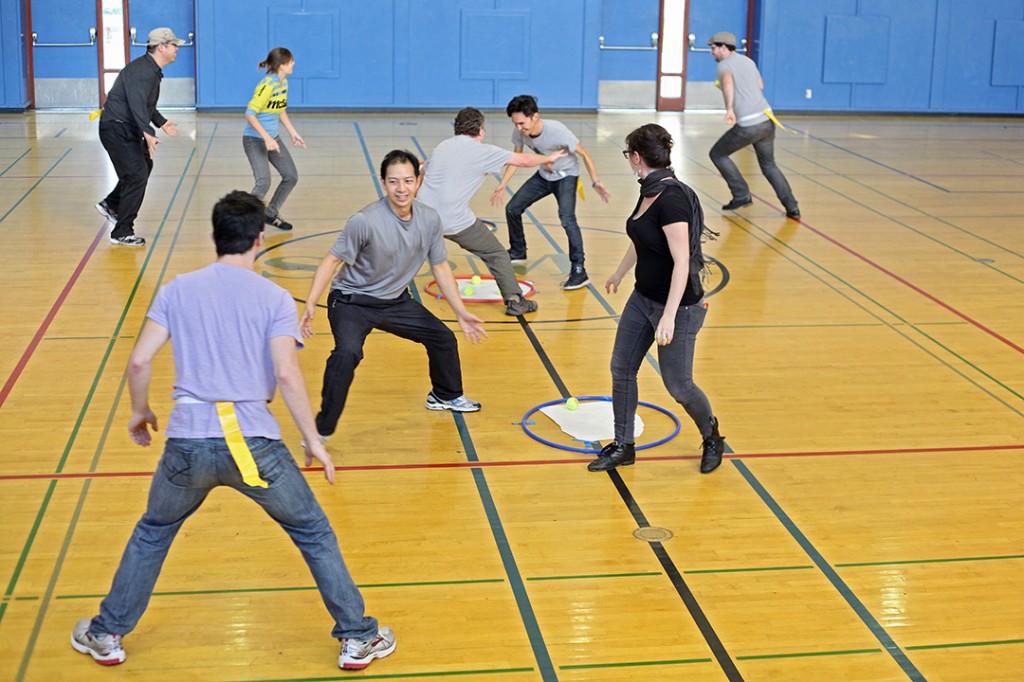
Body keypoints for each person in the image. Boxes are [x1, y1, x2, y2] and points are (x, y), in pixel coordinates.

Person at [70, 191, 395, 672]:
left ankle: (107, 633)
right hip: (255, 445)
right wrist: (313, 440)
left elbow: (139, 360)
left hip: (187, 441)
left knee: (153, 532)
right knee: (312, 532)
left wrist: (140, 412)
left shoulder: (179, 288)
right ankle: (355, 637)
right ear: (260, 239)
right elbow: (287, 374)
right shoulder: (275, 298)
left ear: (214, 237)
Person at [302, 150, 487, 441]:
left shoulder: (429, 219)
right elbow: (331, 261)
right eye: (393, 182)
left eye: (408, 181)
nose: (401, 188)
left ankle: (444, 395)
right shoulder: (364, 220)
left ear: (418, 181)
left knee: (442, 338)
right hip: (352, 300)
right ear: (383, 183)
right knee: (347, 354)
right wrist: (312, 302)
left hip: (395, 301)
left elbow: (439, 267)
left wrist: (460, 311)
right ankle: (321, 430)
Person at [588, 124, 725, 474]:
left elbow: (682, 261)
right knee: (622, 368)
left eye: (627, 155)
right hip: (642, 298)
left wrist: (670, 316)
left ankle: (712, 435)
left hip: (678, 306)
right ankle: (624, 445)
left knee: (679, 385)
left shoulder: (672, 198)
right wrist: (620, 272)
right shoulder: (649, 189)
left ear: (636, 157)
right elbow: (643, 236)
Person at [417, 107, 566, 316]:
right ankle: (515, 301)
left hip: (421, 215)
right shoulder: (484, 151)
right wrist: (549, 158)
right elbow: (522, 160)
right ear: (480, 128)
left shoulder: (442, 146)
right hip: (455, 221)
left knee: (406, 254)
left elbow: (421, 175)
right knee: (496, 253)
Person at [491, 95, 611, 290]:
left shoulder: (557, 131)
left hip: (566, 177)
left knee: (567, 218)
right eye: (515, 124)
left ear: (535, 117)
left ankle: (579, 270)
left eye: (522, 123)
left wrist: (596, 181)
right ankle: (518, 251)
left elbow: (585, 154)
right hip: (544, 176)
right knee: (513, 208)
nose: (519, 128)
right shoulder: (519, 132)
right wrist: (502, 184)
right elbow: (517, 158)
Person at [94, 27, 183, 247]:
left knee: (144, 166)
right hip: (117, 129)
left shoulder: (149, 70)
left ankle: (112, 204)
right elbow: (136, 104)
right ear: (161, 47)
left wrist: (161, 122)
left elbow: (144, 105)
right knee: (136, 174)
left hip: (124, 128)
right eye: (173, 45)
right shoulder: (143, 72)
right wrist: (149, 133)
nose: (176, 49)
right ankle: (122, 232)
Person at [707, 31, 800, 219]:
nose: (711, 52)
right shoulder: (748, 61)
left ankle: (741, 194)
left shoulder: (724, 65)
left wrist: (730, 109)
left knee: (717, 154)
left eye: (713, 47)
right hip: (767, 120)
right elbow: (760, 85)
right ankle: (792, 207)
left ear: (724, 48)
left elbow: (727, 83)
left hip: (749, 124)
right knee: (769, 165)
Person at [243, 47, 306, 231]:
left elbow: (279, 109)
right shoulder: (267, 85)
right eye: (291, 61)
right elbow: (250, 114)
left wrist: (293, 132)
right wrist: (266, 138)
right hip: (254, 140)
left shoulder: (283, 83)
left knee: (291, 176)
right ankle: (243, 222)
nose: (294, 64)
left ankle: (270, 213)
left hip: (272, 138)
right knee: (263, 182)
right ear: (282, 65)